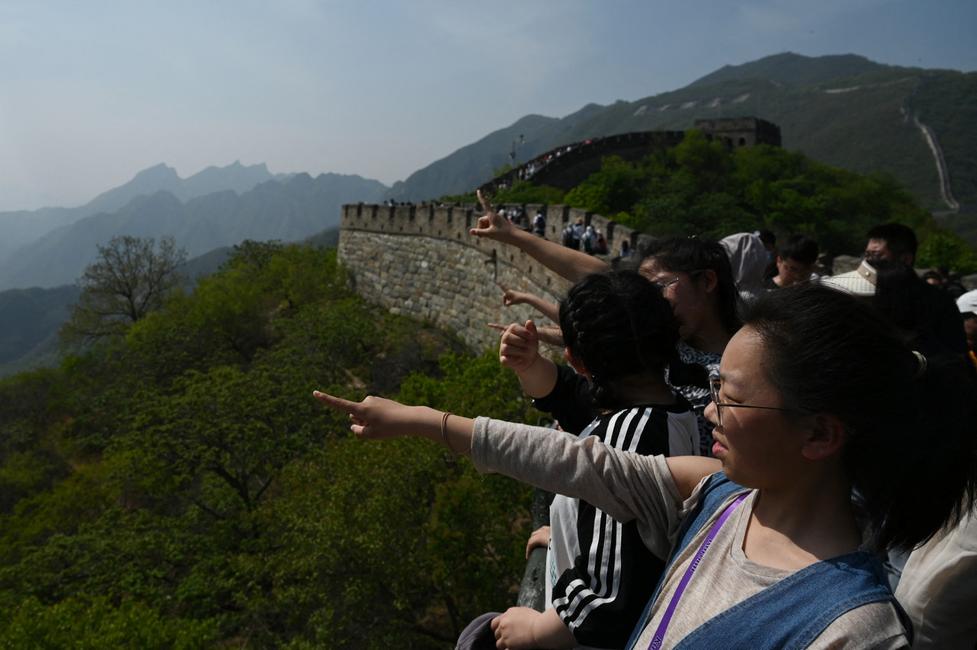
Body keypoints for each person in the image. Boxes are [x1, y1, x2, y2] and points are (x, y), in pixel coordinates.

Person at [315, 284, 977, 649]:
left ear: (820, 434)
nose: (709, 408)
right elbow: (574, 460)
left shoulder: (852, 633)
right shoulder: (717, 498)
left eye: (731, 396)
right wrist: (420, 420)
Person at [495, 271, 699, 649]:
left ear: (575, 361)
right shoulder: (670, 411)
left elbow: (608, 604)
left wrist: (536, 630)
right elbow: (627, 541)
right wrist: (563, 538)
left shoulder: (626, 439)